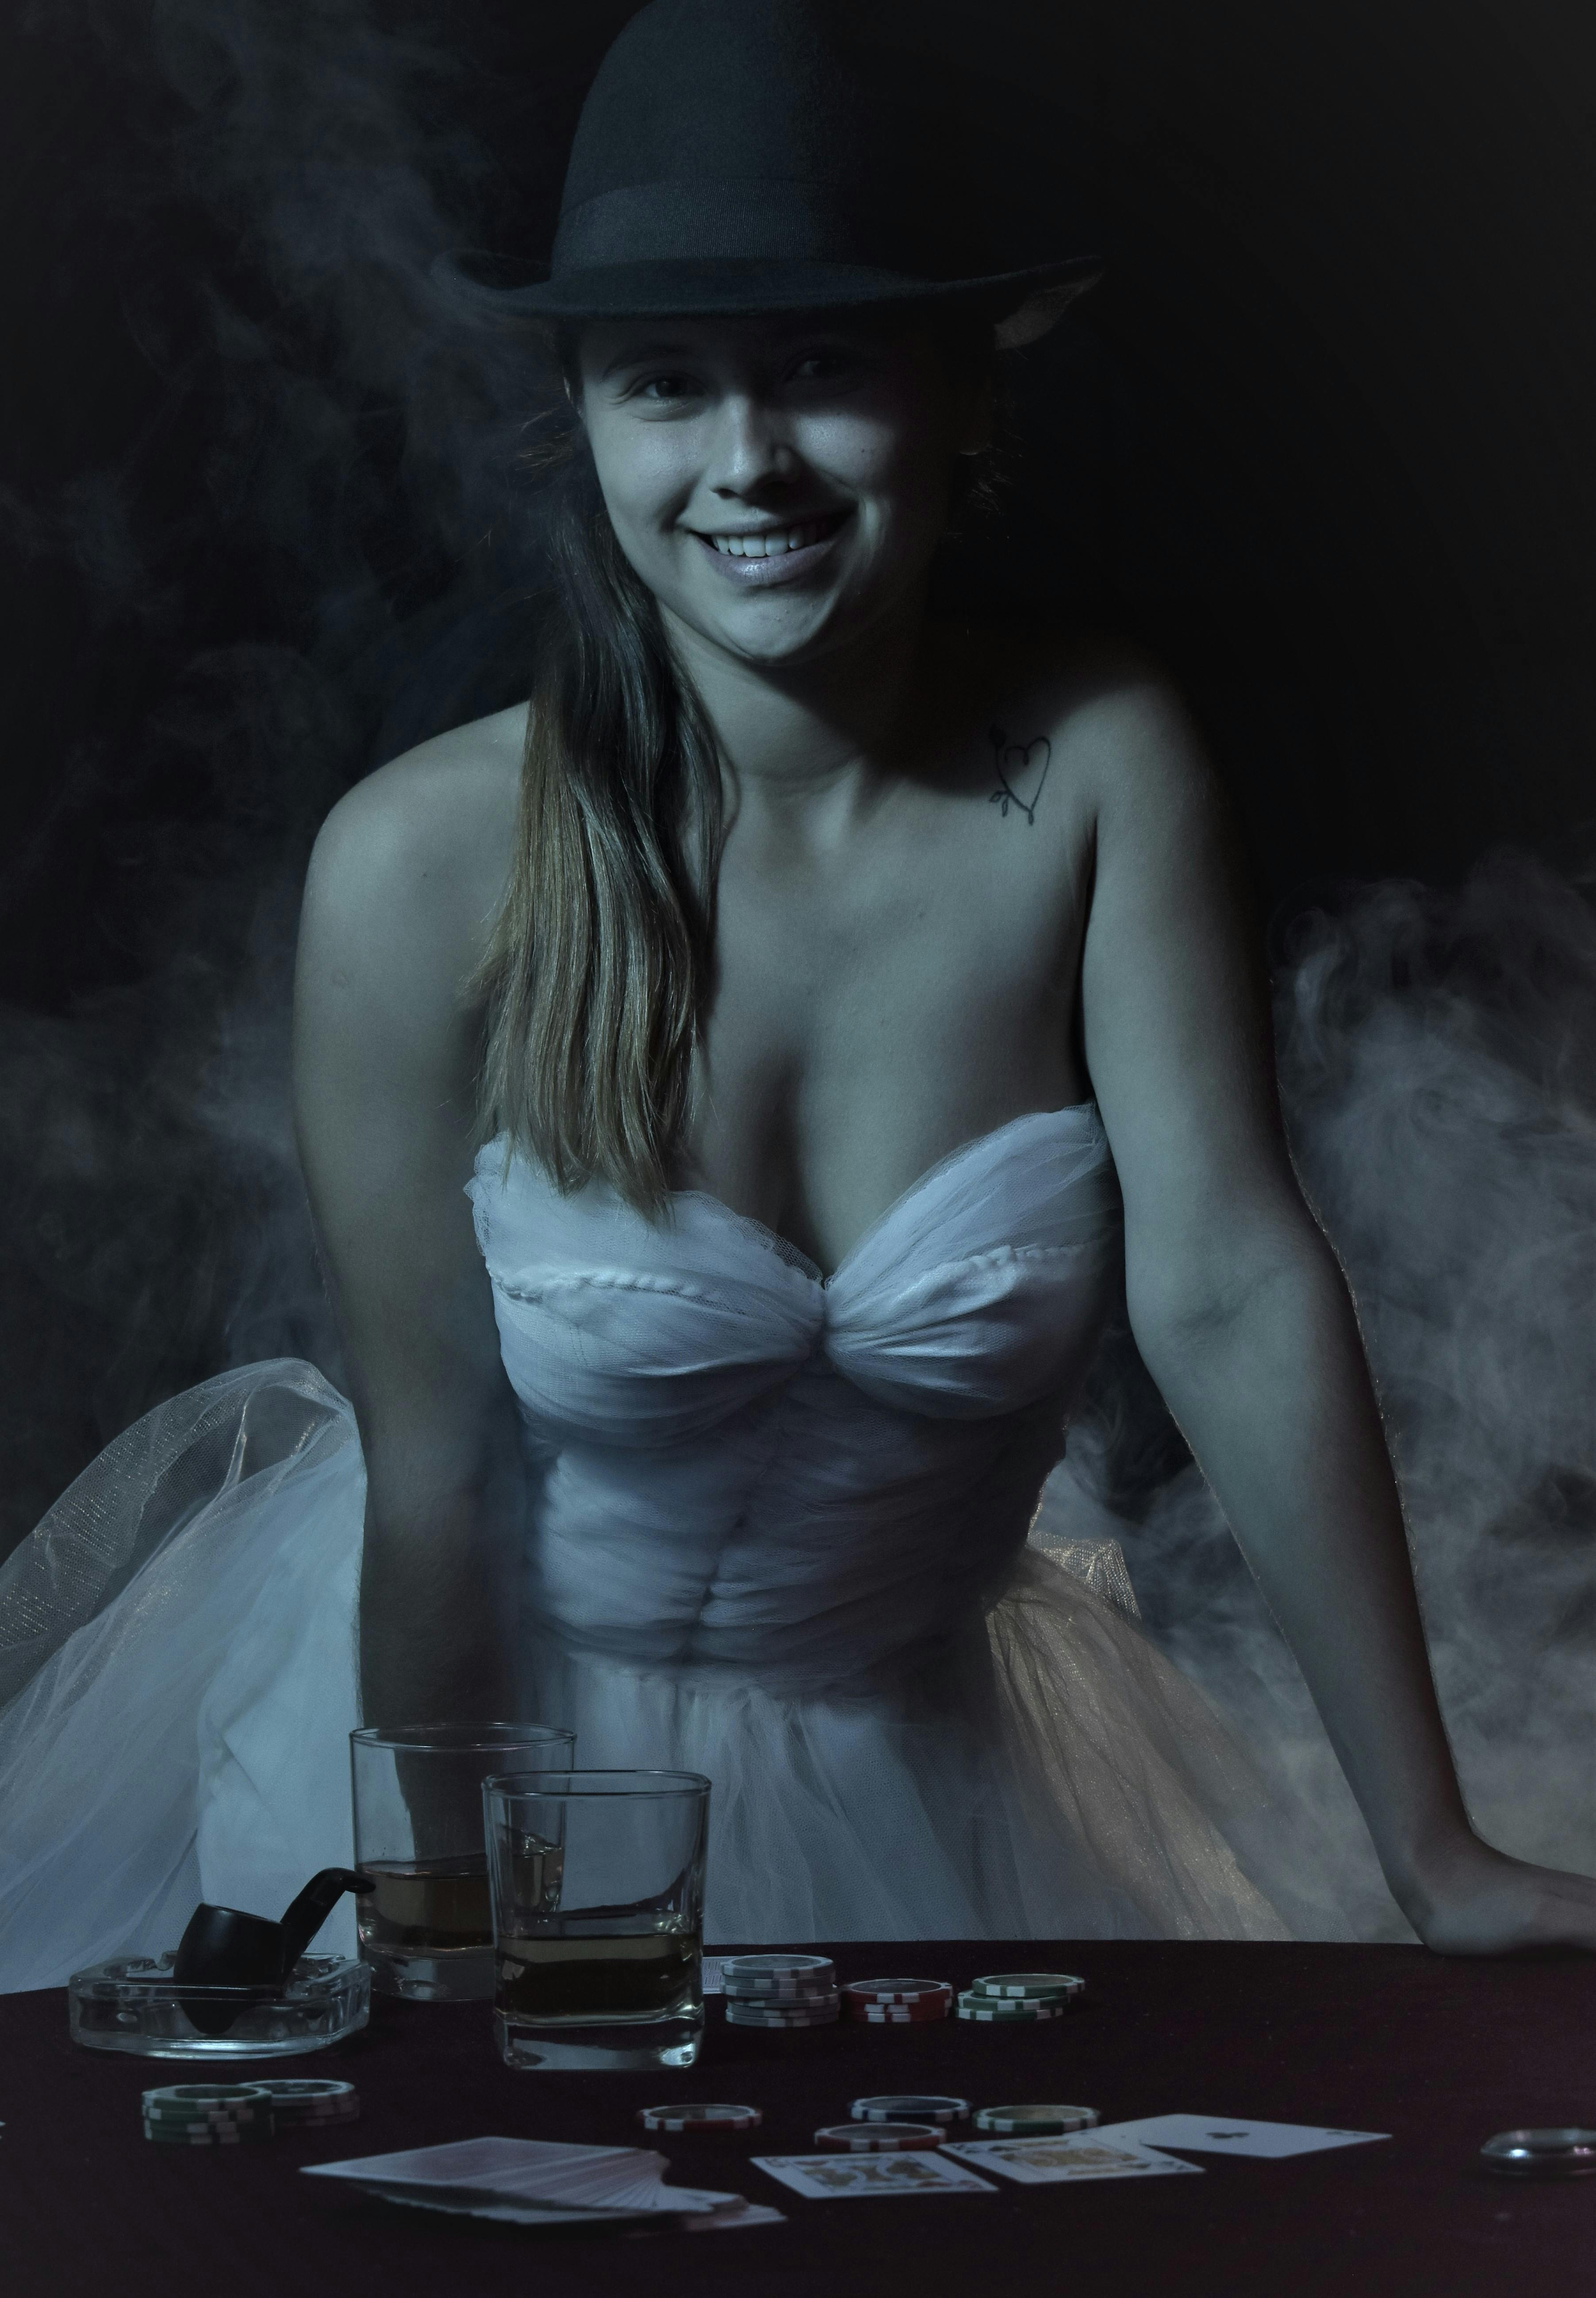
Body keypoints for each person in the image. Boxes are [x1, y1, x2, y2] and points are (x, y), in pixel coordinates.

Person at [2, 0, 1593, 1988]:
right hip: (464, 1761)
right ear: (577, 421)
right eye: (666, 385)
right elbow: (443, 1478)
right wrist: (445, 1937)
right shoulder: (416, 867)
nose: (746, 459)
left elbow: (1228, 1287)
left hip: (912, 1768)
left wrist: (1433, 1852)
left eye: (819, 369)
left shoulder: (1095, 761)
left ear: (957, 400)